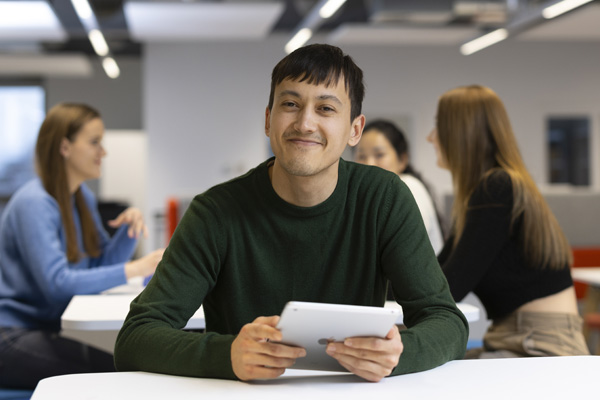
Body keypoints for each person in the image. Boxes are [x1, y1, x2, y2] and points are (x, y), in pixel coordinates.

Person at [114, 44, 468, 383]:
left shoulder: (384, 198)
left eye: (326, 109)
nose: (305, 123)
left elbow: (446, 321)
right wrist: (227, 355)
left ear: (354, 130)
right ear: (268, 120)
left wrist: (398, 353)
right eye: (290, 103)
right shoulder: (216, 212)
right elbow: (135, 337)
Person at [0, 103, 164, 389]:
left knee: (123, 368)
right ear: (65, 147)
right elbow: (57, 284)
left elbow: (101, 266)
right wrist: (136, 267)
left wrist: (128, 233)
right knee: (118, 373)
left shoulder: (81, 198)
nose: (103, 152)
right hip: (11, 335)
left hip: (43, 329)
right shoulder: (35, 204)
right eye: (94, 142)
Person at [428, 84, 589, 358]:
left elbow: (449, 287)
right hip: (515, 334)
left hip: (542, 342)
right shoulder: (483, 193)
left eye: (438, 126)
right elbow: (436, 273)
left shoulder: (496, 188)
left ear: (461, 134)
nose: (431, 138)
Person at [354, 119, 445, 254]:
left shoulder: (409, 187)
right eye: (361, 156)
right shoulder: (369, 197)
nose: (369, 164)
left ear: (402, 159)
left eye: (379, 155)